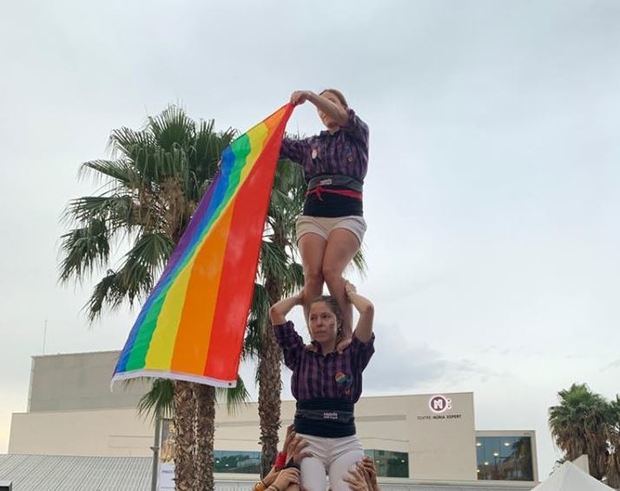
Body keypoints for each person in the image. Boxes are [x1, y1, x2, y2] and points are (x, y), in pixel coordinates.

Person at [280, 89, 369, 347]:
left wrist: (310, 96)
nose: (324, 110)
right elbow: (276, 145)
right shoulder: (311, 145)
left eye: (330, 103)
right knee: (313, 275)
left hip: (347, 214)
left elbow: (342, 117)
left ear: (343, 105)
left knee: (331, 270)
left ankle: (346, 334)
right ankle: (316, 339)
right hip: (314, 215)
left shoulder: (357, 133)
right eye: (320, 108)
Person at [270, 281, 375, 491]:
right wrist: (301, 298)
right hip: (307, 442)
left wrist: (350, 294)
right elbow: (276, 312)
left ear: (338, 321)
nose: (319, 322)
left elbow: (368, 310)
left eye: (326, 316)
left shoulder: (353, 355)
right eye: (313, 317)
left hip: (345, 441)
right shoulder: (300, 355)